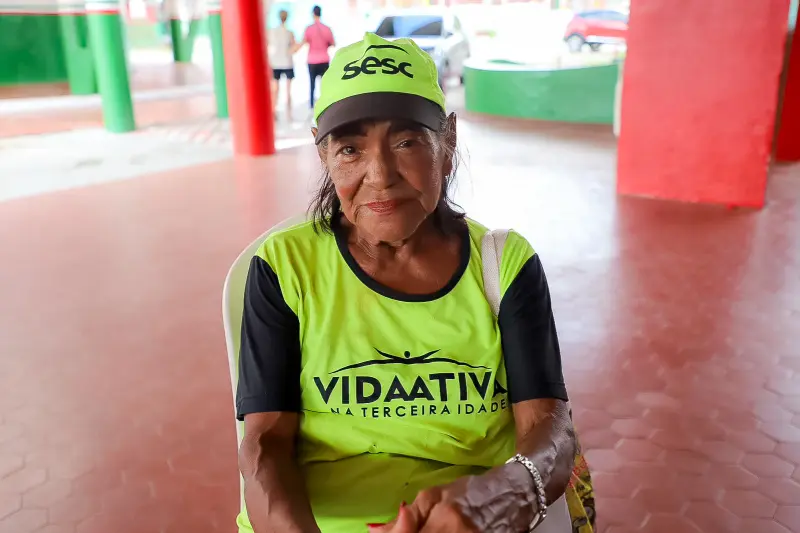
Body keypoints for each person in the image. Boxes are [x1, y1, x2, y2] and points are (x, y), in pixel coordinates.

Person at [235, 33, 593, 533]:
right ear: (323, 154)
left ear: (448, 142)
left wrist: (499, 498)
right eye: (350, 149)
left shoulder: (503, 265)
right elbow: (265, 442)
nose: (381, 175)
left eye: (406, 142)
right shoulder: (284, 267)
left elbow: (549, 428)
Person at [295, 5, 335, 111]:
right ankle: (326, 104)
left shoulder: (309, 29)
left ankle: (312, 106)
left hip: (312, 60)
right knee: (325, 85)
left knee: (312, 84)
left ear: (313, 14)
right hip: (324, 60)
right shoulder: (327, 28)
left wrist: (293, 49)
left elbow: (304, 42)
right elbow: (333, 43)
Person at [269, 9, 296, 120]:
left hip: (275, 62)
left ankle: (273, 111)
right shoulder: (289, 32)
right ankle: (289, 114)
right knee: (288, 91)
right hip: (287, 62)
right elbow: (294, 48)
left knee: (275, 90)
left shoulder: (272, 31)